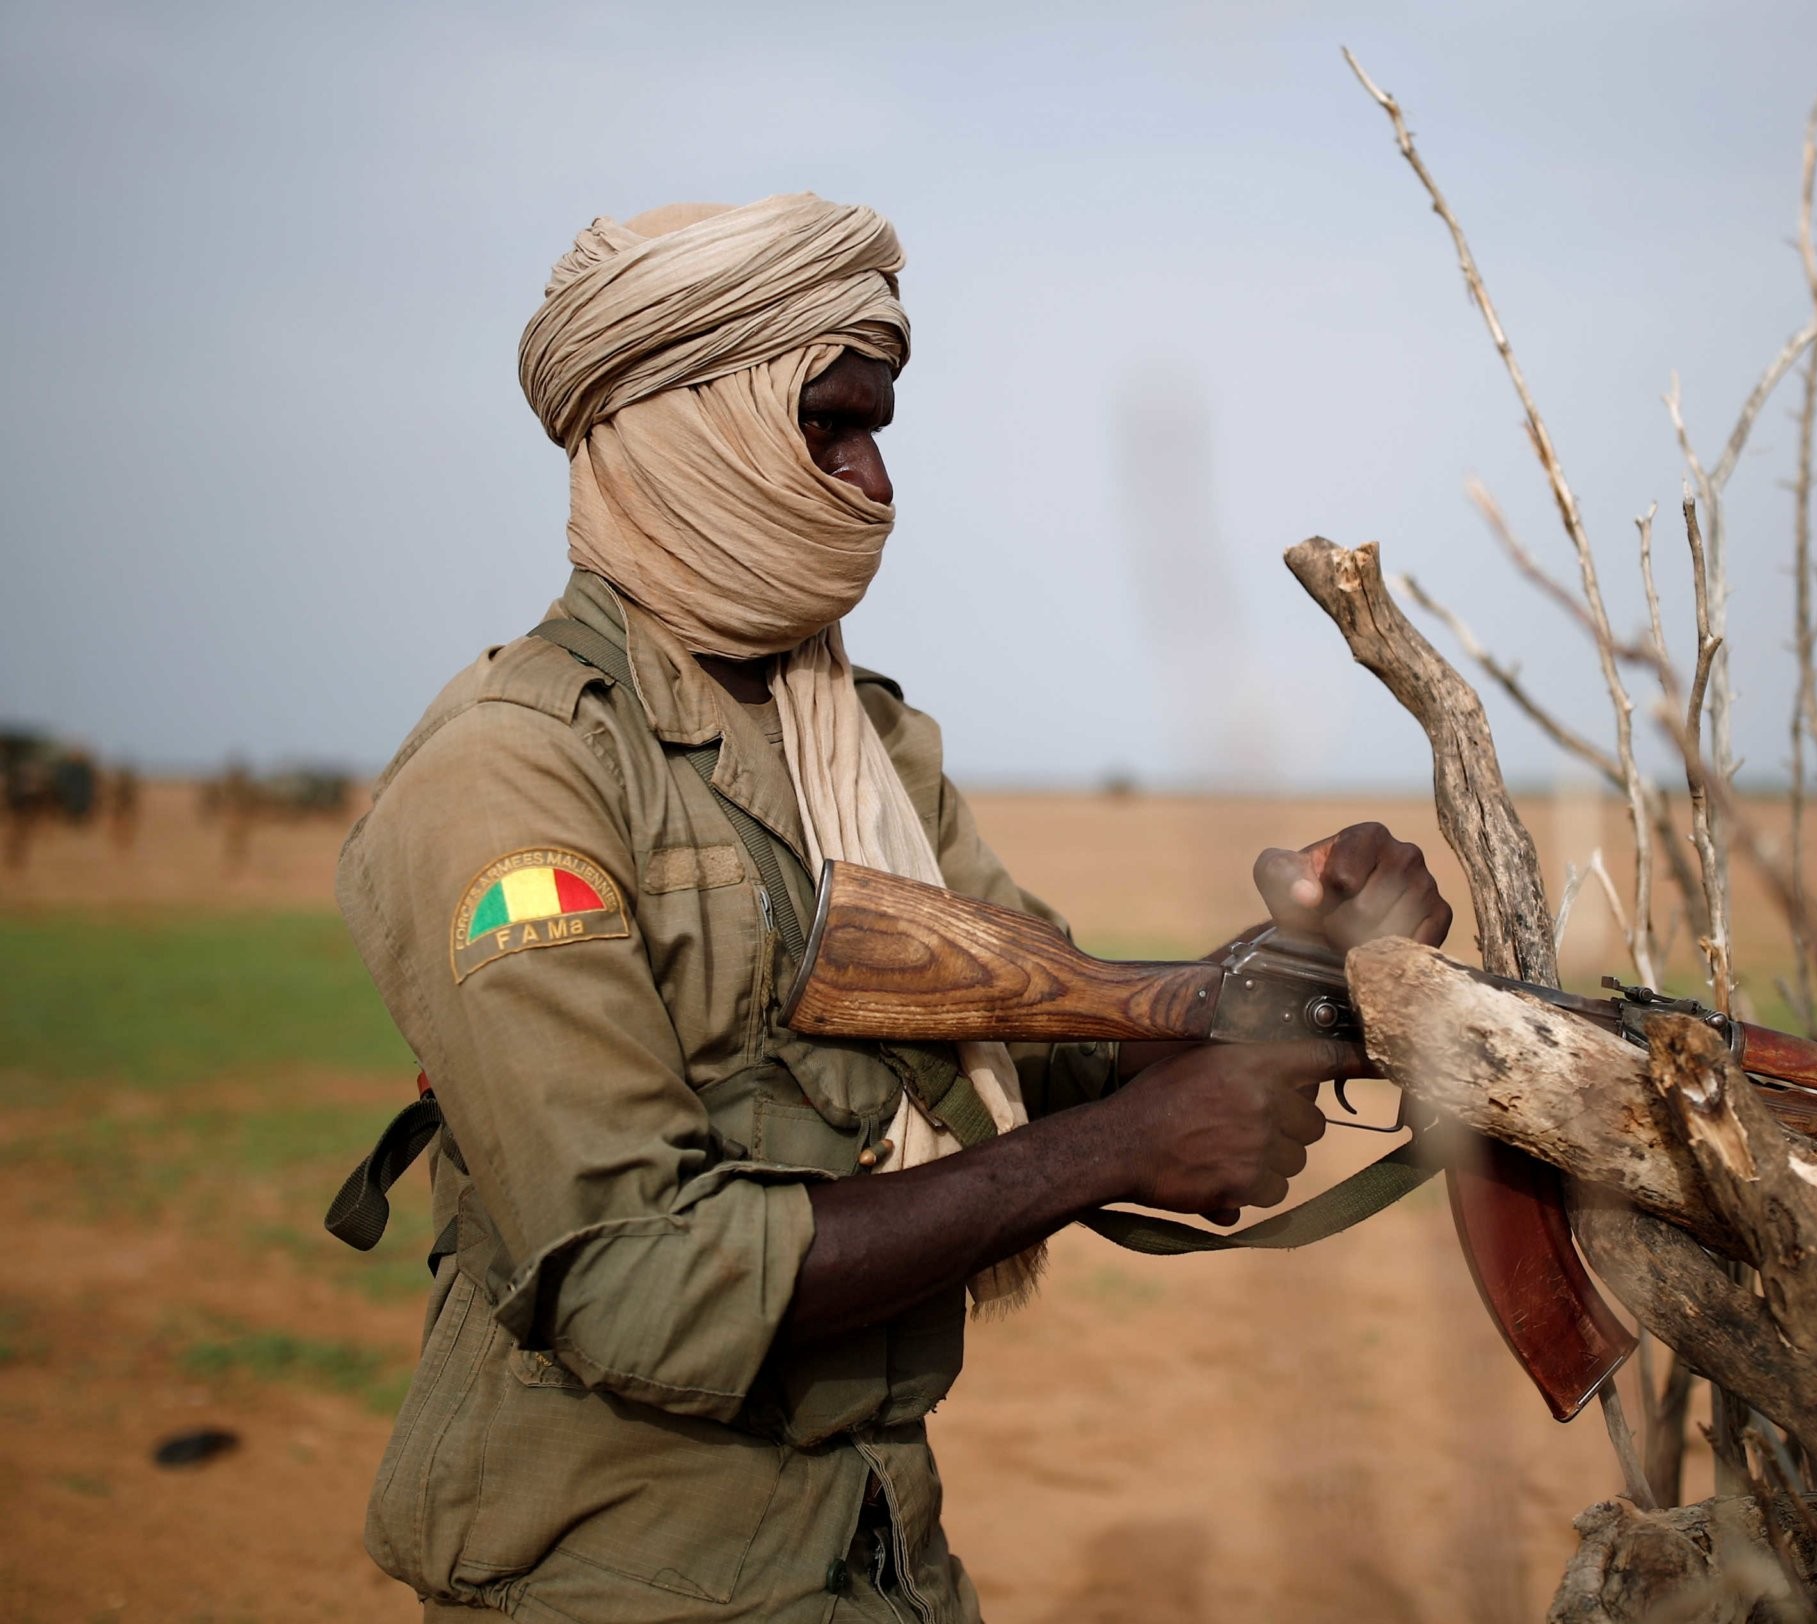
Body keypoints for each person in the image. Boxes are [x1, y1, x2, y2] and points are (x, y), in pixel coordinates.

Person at [335, 193, 1452, 1622]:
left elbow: (1044, 1039)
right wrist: (1121, 1147)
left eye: (880, 433)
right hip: (615, 1578)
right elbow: (634, 1280)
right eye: (827, 427)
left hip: (883, 1553)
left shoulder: (864, 741)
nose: (873, 484)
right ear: (693, 431)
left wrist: (1290, 966)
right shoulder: (518, 769)